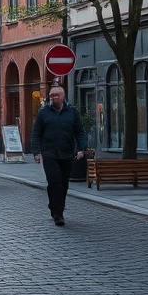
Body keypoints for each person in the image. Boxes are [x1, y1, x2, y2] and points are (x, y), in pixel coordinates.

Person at [31, 85, 87, 226]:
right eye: (51, 95)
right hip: (49, 153)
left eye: (56, 95)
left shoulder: (72, 112)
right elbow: (36, 134)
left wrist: (81, 148)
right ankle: (58, 214)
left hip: (66, 153)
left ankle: (55, 206)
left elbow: (79, 131)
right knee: (54, 179)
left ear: (63, 96)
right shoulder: (43, 113)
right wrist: (37, 152)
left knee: (63, 183)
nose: (54, 97)